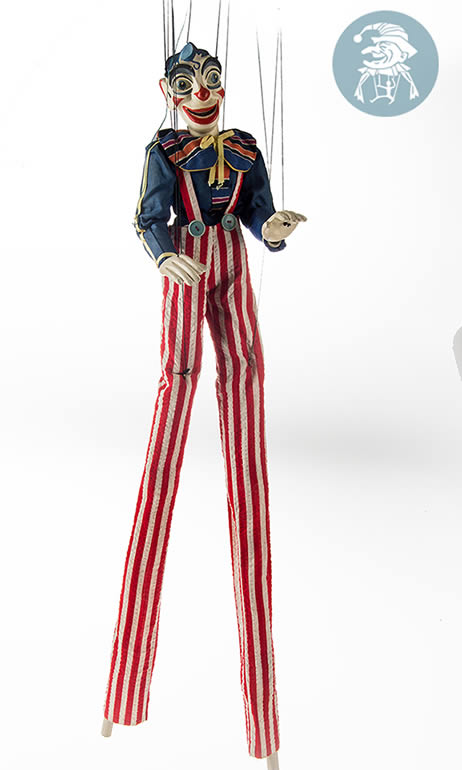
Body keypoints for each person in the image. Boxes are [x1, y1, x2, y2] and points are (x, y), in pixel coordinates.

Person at [101, 41, 306, 762]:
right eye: (188, 81)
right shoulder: (164, 150)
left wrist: (272, 231)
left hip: (232, 265)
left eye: (212, 78)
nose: (203, 90)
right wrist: (164, 254)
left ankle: (264, 727)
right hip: (187, 263)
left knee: (246, 379)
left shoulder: (244, 148)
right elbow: (146, 217)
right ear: (167, 89)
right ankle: (124, 693)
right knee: (178, 386)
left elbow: (258, 212)